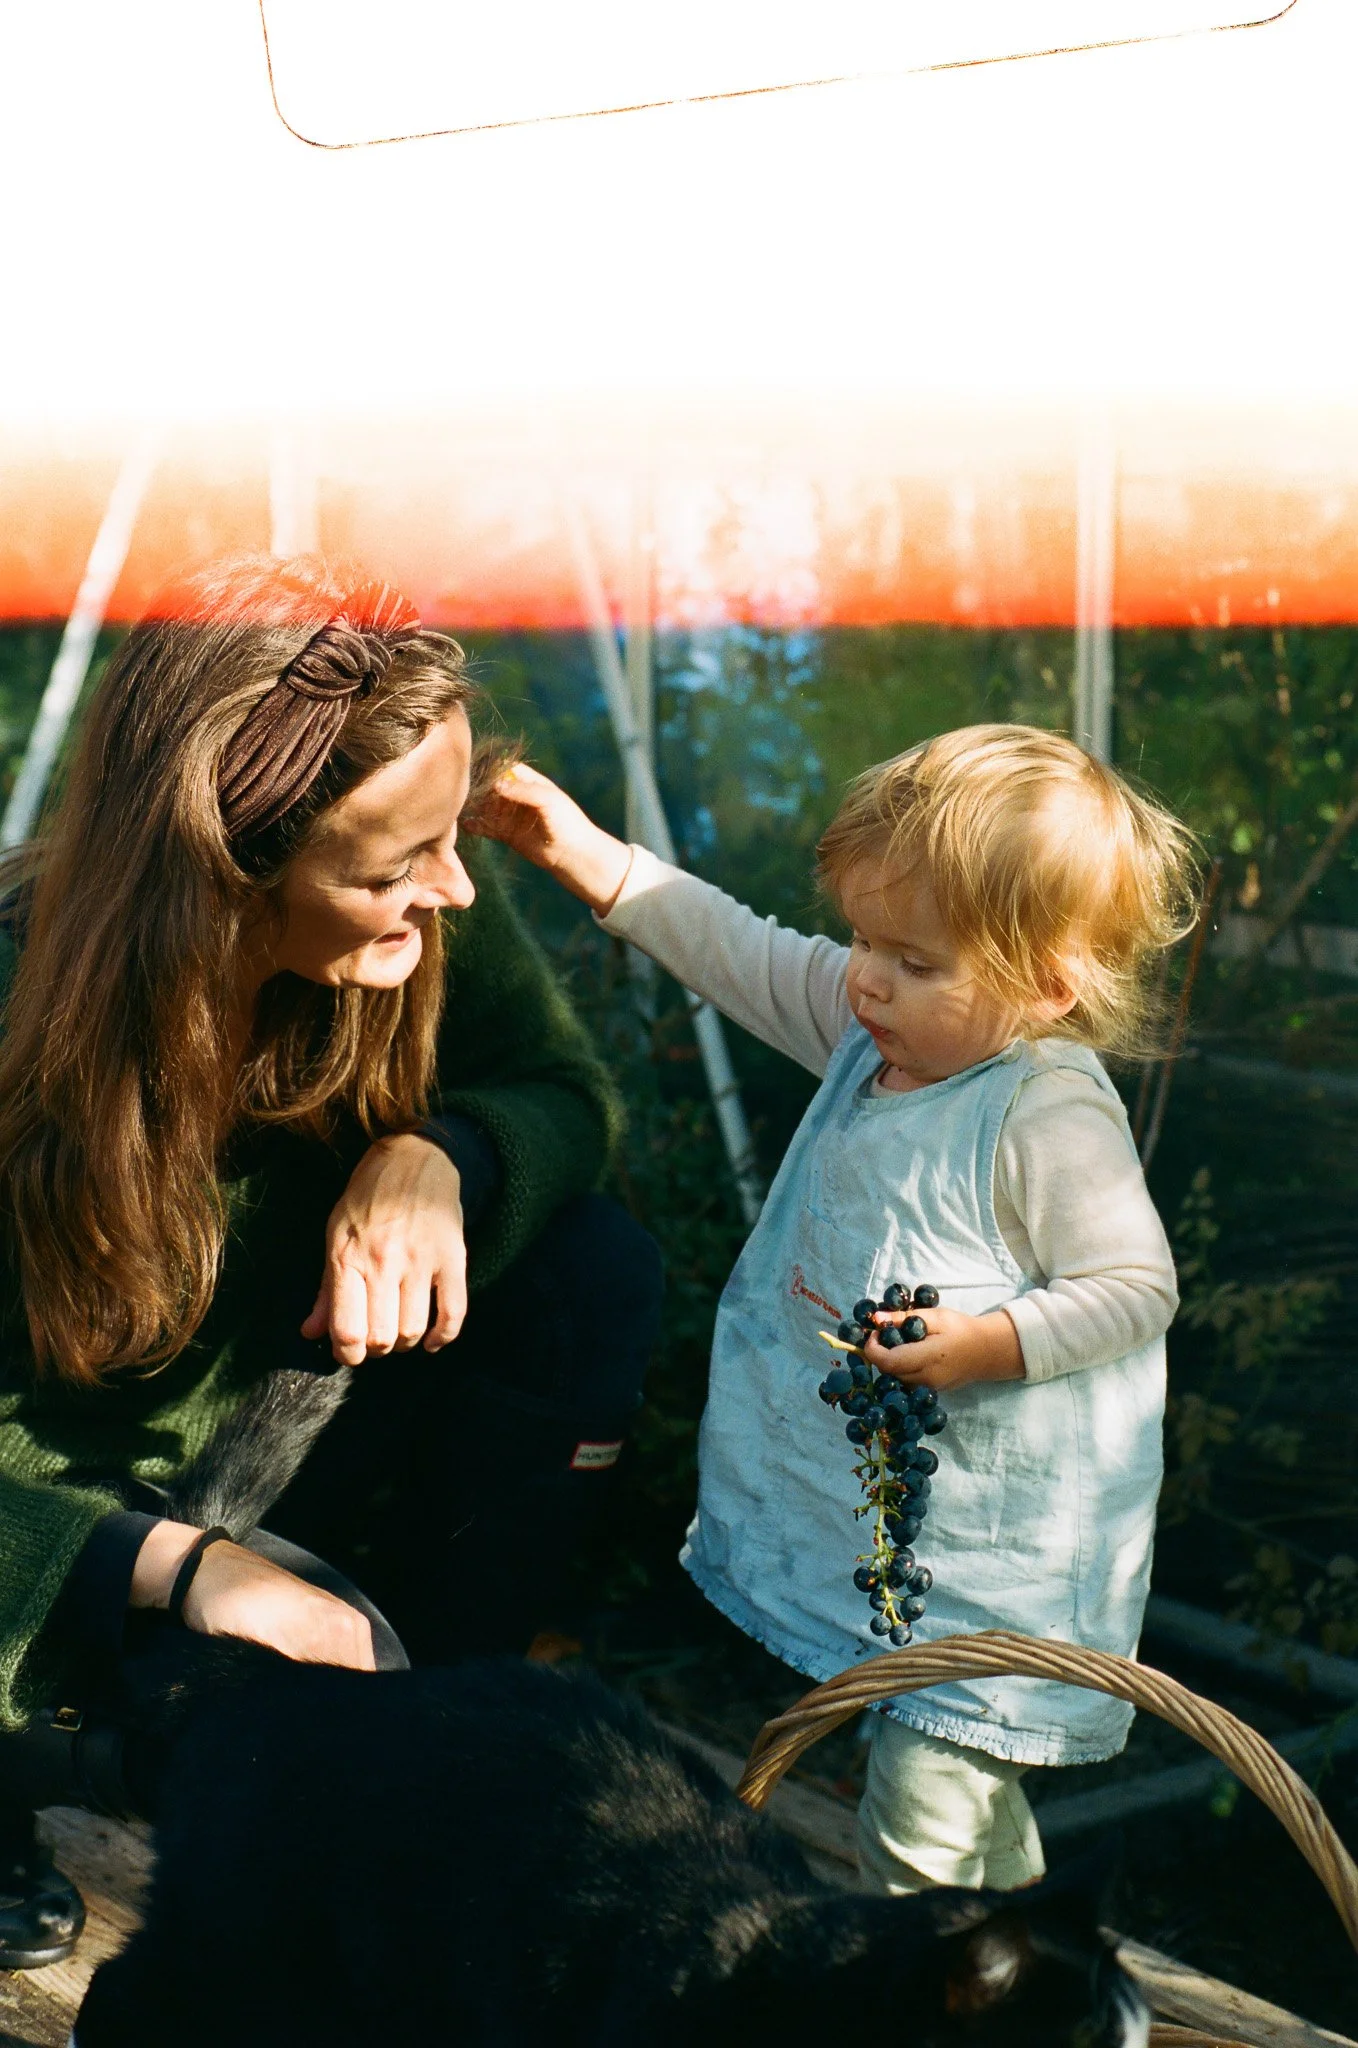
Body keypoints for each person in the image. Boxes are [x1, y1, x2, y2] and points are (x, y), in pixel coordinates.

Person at [0, 555, 661, 1966]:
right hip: (43, 1526)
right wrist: (178, 1569)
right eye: (392, 867)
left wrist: (445, 1154)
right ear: (221, 875)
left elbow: (560, 1091)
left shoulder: (414, 926)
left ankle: (430, 1744)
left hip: (249, 1456)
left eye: (451, 835)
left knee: (588, 1268)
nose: (454, 889)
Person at [478, 724, 1197, 1898]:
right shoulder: (882, 1033)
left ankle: (915, 1978)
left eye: (910, 958)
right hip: (909, 1533)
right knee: (957, 1802)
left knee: (922, 1810)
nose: (863, 976)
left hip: (998, 1566)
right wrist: (586, 854)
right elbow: (738, 949)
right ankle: (1026, 1960)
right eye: (862, 937)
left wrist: (990, 1342)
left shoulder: (1044, 1110)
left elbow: (1134, 1285)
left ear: (1044, 986)